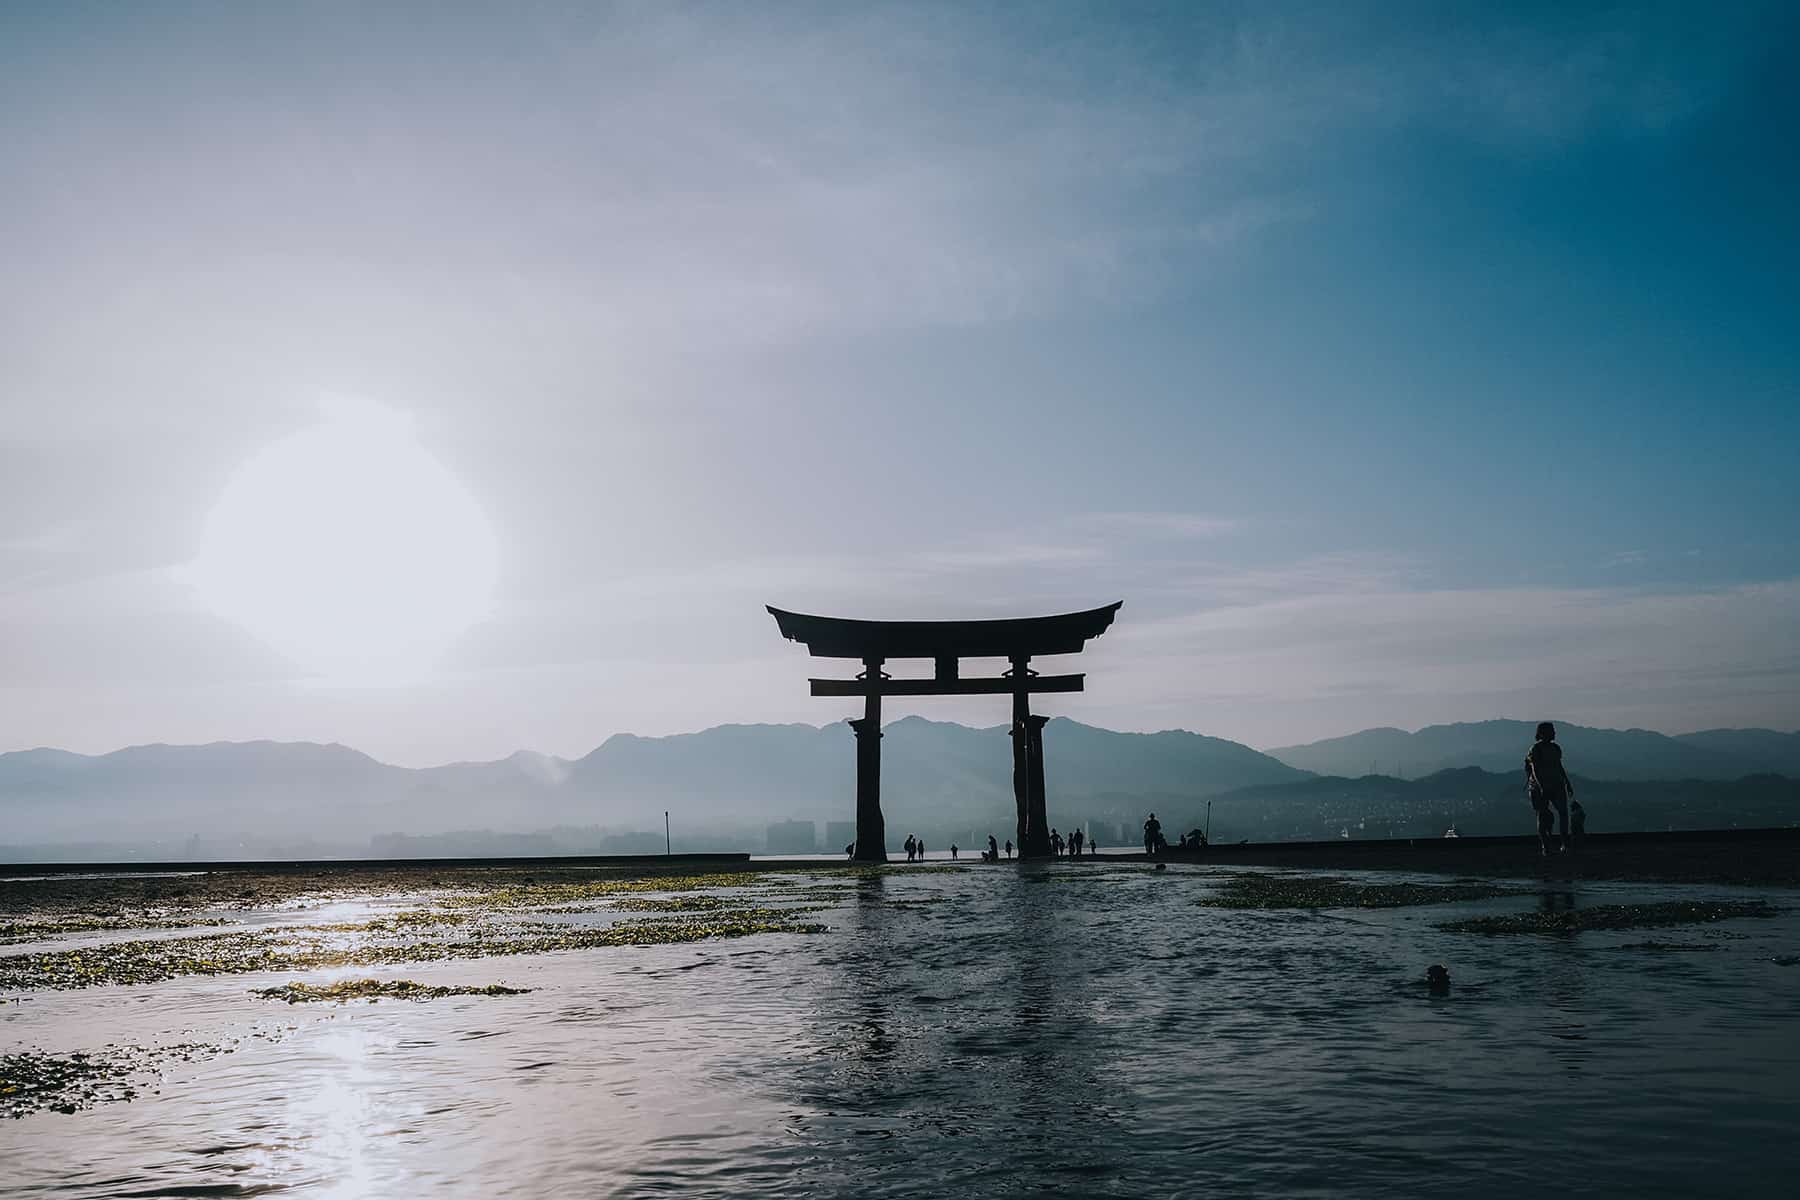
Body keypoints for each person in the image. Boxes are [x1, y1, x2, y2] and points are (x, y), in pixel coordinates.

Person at [1525, 722, 1574, 855]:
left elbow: (1558, 766)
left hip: (1550, 785)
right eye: (1551, 731)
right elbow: (1535, 770)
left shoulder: (1553, 748)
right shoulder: (1536, 749)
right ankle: (1550, 845)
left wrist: (1567, 782)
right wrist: (1542, 786)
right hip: (1542, 786)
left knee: (1549, 814)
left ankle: (1553, 845)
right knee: (1547, 815)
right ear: (1543, 733)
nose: (1554, 733)